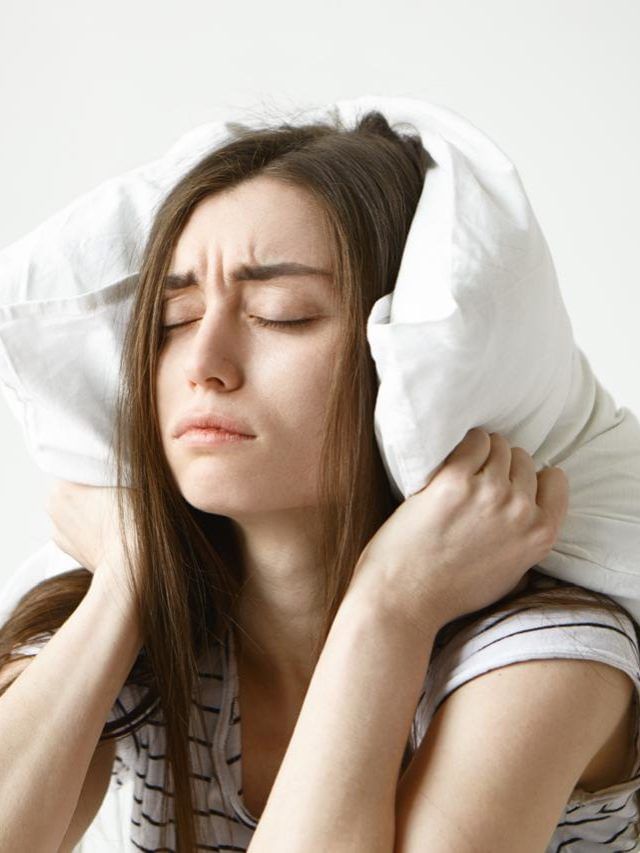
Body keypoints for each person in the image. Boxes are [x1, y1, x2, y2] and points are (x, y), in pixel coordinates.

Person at [1, 111, 639, 852]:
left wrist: (390, 606)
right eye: (176, 318)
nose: (204, 362)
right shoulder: (132, 624)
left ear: (396, 362)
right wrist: (127, 580)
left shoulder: (545, 655)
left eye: (281, 315)